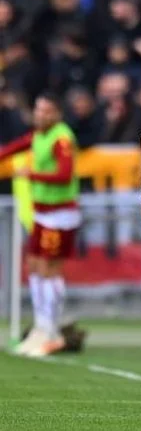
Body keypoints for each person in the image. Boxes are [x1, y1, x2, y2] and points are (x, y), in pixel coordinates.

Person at [0, 93, 81, 357]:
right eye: (38, 110)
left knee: (49, 269)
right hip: (41, 212)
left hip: (60, 214)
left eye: (46, 111)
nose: (41, 115)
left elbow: (64, 174)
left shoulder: (61, 137)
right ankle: (41, 326)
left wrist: (30, 173)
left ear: (57, 113)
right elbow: (13, 148)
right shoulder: (39, 134)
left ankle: (52, 330)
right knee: (35, 266)